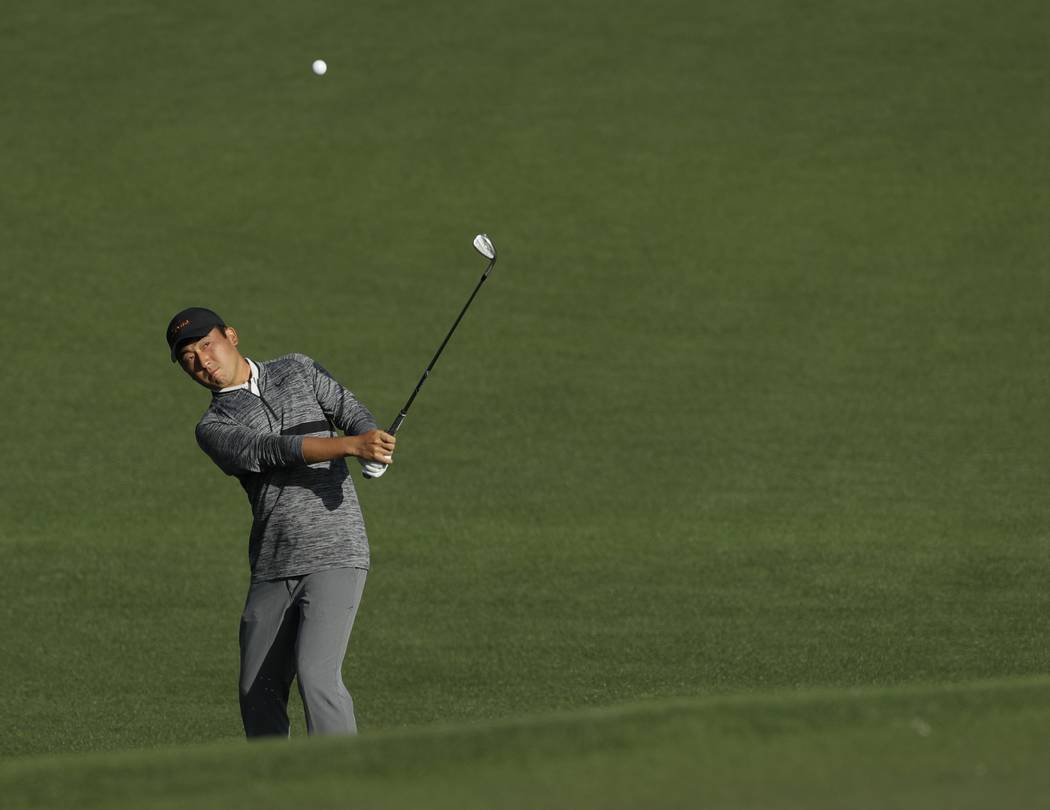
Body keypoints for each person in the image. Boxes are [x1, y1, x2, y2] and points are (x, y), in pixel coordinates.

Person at [165, 306, 395, 738]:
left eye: (206, 345)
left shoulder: (297, 369)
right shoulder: (213, 426)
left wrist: (372, 442)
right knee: (257, 690)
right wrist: (350, 446)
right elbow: (273, 450)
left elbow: (348, 408)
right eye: (188, 358)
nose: (203, 362)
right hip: (273, 563)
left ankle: (345, 785)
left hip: (336, 551)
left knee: (316, 674)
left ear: (230, 336)